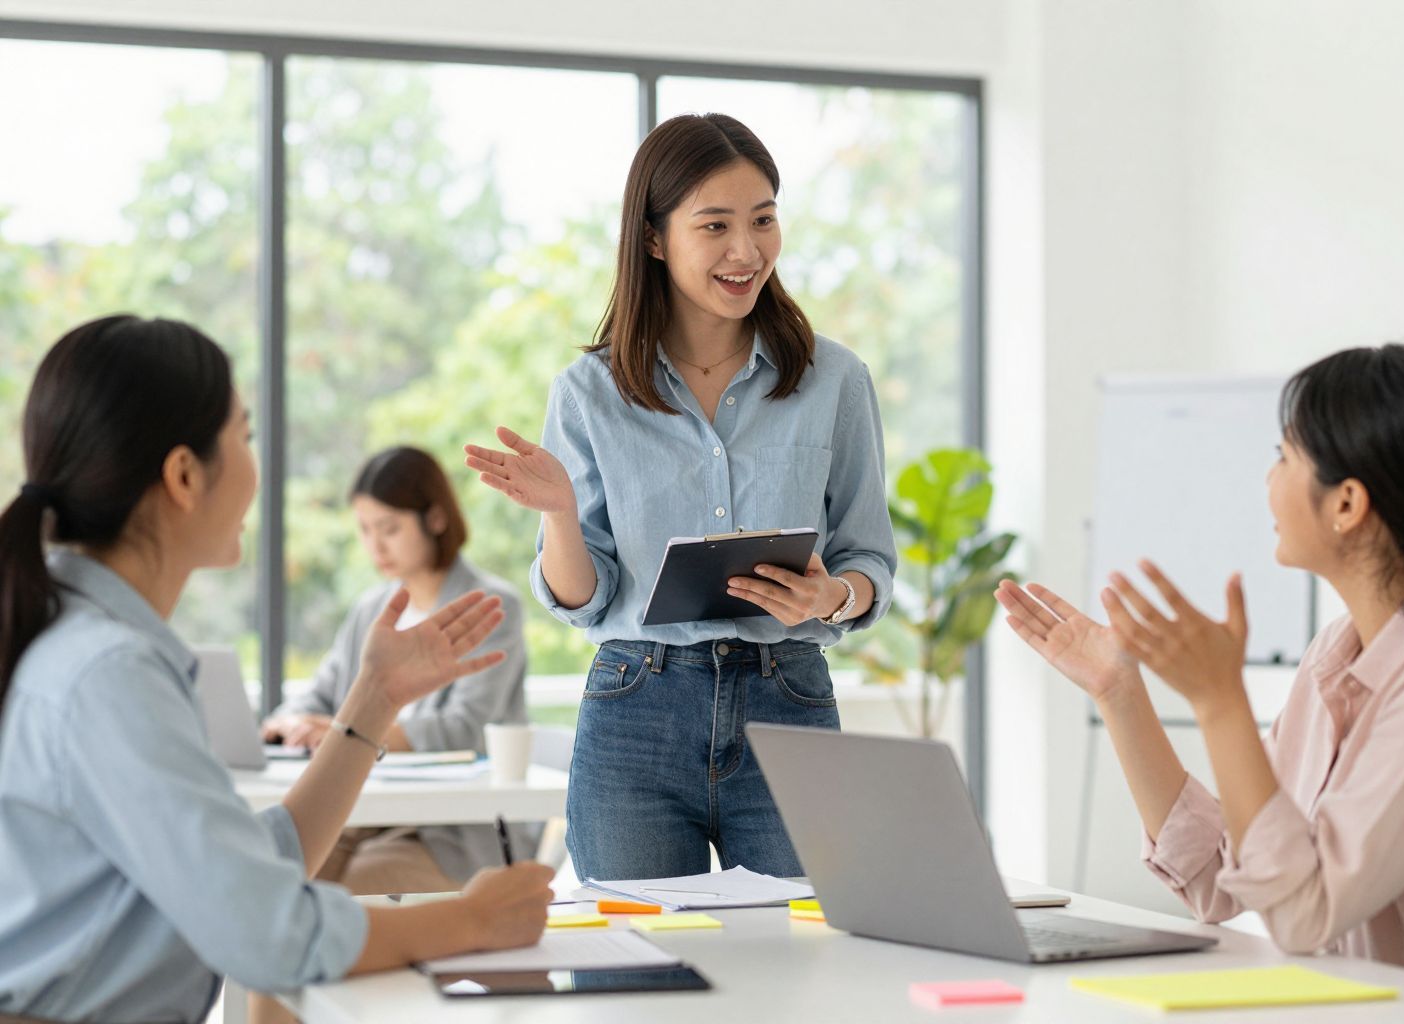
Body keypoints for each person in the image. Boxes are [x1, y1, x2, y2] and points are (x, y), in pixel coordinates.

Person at [0, 316, 551, 1023]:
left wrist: (374, 698)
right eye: (246, 436)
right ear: (184, 475)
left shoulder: (72, 639)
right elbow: (271, 934)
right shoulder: (108, 674)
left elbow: (246, 873)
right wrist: (470, 919)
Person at [996, 343, 1404, 994]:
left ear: (1346, 504)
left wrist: (1220, 699)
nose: (1268, 480)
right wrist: (1119, 693)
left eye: (1283, 456)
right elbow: (1219, 873)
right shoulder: (1338, 651)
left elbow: (1304, 911)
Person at [464, 113, 897, 880]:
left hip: (789, 703)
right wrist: (560, 516)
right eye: (715, 226)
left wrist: (831, 596)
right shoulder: (589, 392)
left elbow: (869, 560)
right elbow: (584, 599)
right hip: (637, 711)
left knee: (803, 950)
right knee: (637, 952)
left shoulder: (835, 380)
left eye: (763, 219)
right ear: (655, 239)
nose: (747, 251)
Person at [263, 445, 531, 894]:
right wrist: (291, 723)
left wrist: (349, 733)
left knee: (338, 896)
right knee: (282, 876)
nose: (376, 545)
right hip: (365, 814)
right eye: (365, 529)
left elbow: (464, 729)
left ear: (436, 518)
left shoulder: (488, 606)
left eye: (389, 528)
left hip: (447, 830)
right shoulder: (373, 609)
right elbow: (320, 694)